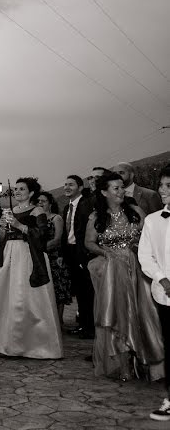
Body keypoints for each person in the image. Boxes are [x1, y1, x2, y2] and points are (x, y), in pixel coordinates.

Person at [85, 171, 162, 381]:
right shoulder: (96, 217)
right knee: (119, 314)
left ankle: (148, 364)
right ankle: (123, 365)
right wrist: (105, 252)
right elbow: (89, 242)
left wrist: (137, 248)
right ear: (104, 192)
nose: (120, 191)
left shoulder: (136, 211)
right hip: (113, 272)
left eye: (122, 187)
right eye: (115, 188)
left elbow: (150, 238)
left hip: (137, 268)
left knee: (144, 313)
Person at [0, 177, 63, 359]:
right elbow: (3, 238)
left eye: (21, 189)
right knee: (6, 296)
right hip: (9, 254)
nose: (17, 192)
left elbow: (42, 236)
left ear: (31, 192)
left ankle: (33, 343)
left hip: (28, 255)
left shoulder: (37, 210)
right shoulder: (10, 210)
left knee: (25, 297)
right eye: (16, 189)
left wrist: (19, 225)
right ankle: (5, 342)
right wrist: (3, 228)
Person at [137, 166, 170, 421]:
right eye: (161, 185)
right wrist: (163, 279)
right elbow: (145, 256)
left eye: (168, 186)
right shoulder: (153, 220)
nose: (162, 190)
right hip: (165, 293)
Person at [63, 174, 96, 339]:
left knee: (87, 291)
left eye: (71, 184)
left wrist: (84, 255)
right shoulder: (67, 206)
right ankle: (82, 324)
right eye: (65, 184)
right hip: (70, 252)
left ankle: (90, 327)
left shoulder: (86, 204)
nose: (67, 187)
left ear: (80, 188)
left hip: (83, 252)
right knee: (79, 292)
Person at [36, 191, 72, 325]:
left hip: (55, 257)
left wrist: (40, 249)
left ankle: (58, 321)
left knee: (58, 290)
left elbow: (57, 239)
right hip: (39, 258)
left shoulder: (56, 218)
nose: (40, 203)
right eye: (38, 201)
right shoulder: (35, 219)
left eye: (43, 201)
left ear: (50, 204)